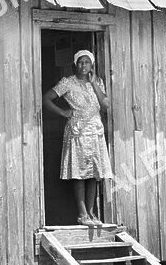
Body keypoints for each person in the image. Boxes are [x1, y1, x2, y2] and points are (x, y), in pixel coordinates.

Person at [42, 49, 113, 227]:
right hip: (78, 131)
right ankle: (82, 214)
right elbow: (46, 98)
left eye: (87, 62)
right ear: (75, 64)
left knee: (95, 174)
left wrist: (94, 83)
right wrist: (62, 112)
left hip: (95, 130)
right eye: (80, 62)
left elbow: (105, 105)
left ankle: (91, 212)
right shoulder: (67, 83)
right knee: (80, 173)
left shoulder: (97, 82)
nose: (83, 66)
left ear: (92, 65)